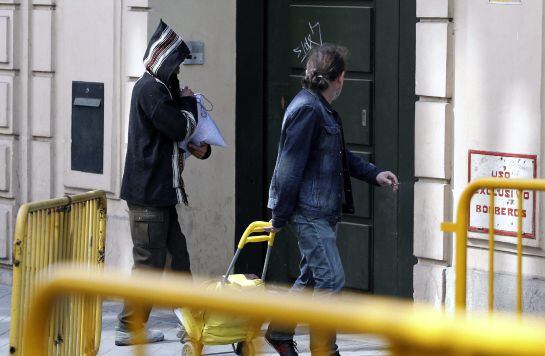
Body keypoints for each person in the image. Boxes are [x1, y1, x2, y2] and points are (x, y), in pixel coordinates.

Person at [264, 44, 398, 356]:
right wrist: (280, 216)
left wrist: (374, 174)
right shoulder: (308, 110)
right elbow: (288, 166)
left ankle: (280, 333)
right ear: (338, 78)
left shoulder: (319, 110)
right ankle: (325, 349)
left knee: (312, 278)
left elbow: (339, 156)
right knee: (331, 280)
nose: (343, 84)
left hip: (321, 211)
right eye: (343, 79)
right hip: (308, 212)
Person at [115, 20, 211, 346]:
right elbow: (179, 128)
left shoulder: (159, 89)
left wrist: (200, 146)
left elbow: (175, 136)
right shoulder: (150, 90)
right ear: (165, 61)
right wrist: (187, 102)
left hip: (161, 193)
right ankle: (129, 327)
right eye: (177, 62)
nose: (180, 68)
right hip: (148, 195)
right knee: (149, 265)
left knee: (177, 259)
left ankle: (190, 325)